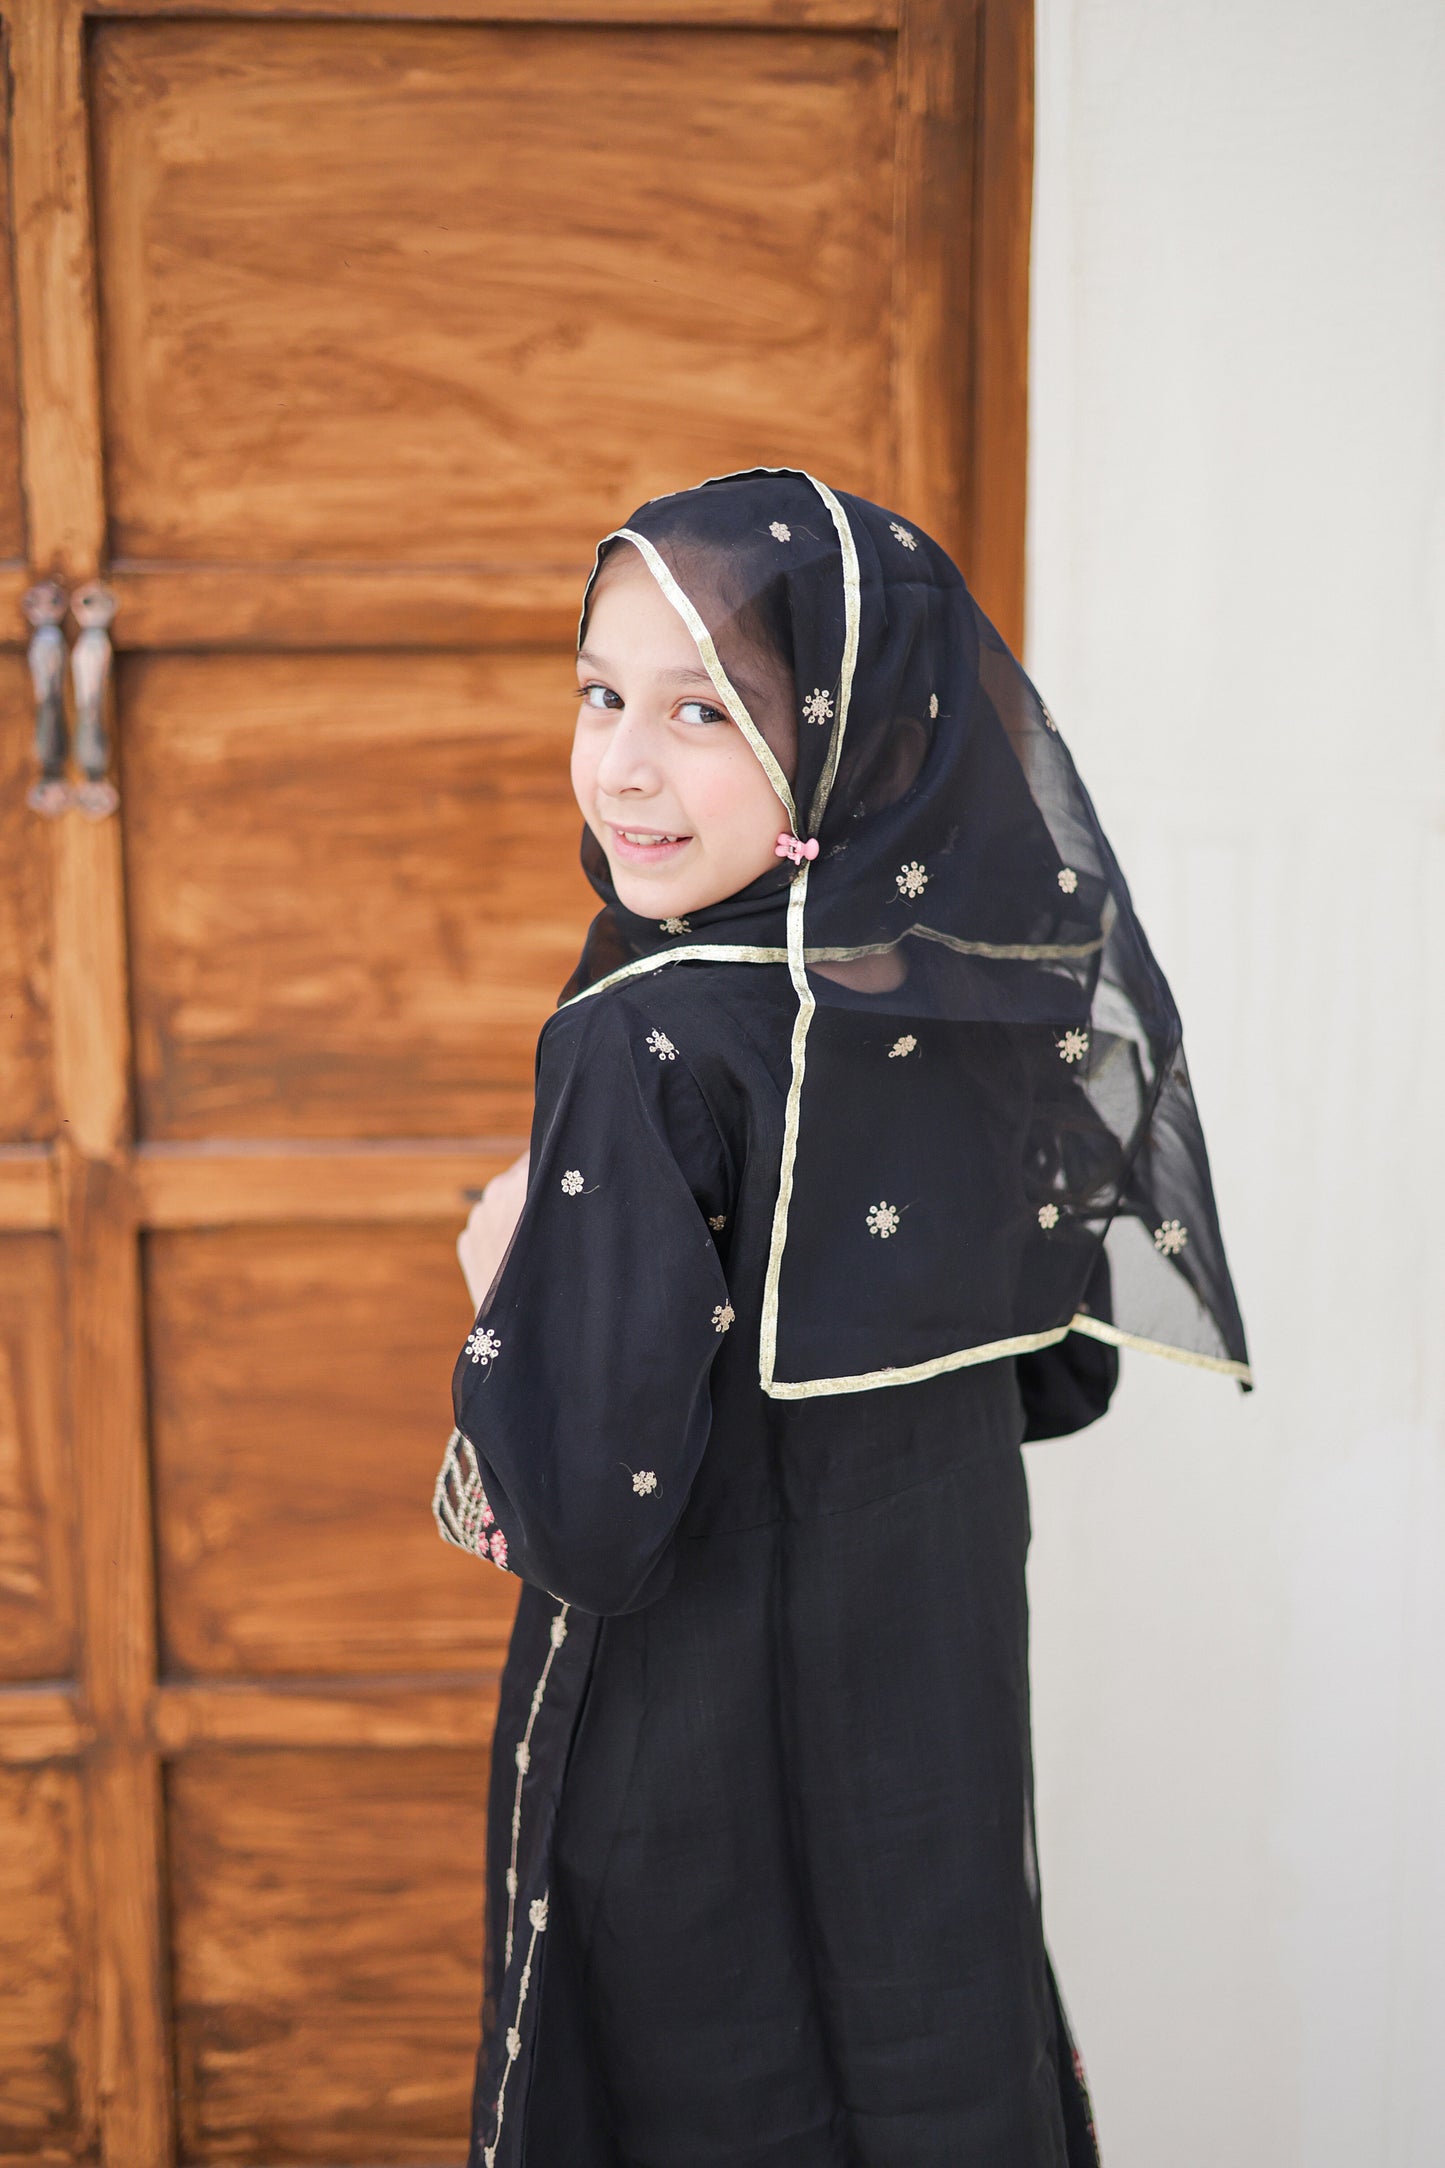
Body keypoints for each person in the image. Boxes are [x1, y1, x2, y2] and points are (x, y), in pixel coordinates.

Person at [436, 470, 1251, 2168]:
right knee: (925, 2071)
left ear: (853, 734)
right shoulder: (963, 990)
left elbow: (581, 1515)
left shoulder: (647, 1034)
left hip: (690, 1756)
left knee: (701, 2086)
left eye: (709, 710)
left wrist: (508, 1269)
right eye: (600, 694)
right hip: (923, 1731)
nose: (627, 767)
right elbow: (1055, 1379)